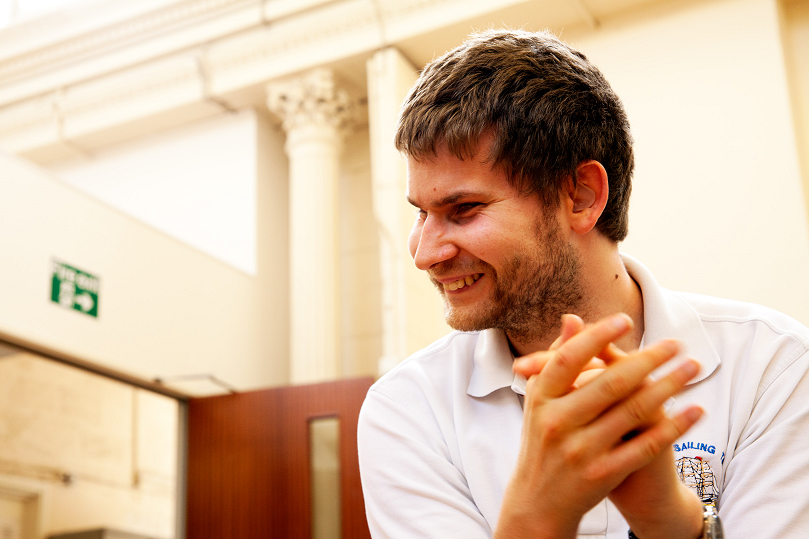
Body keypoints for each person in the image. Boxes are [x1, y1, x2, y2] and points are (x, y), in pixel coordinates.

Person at [357, 29, 809, 538]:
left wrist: (673, 522)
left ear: (581, 196)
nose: (424, 254)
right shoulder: (408, 410)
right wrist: (537, 513)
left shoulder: (774, 366)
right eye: (421, 213)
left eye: (463, 210)